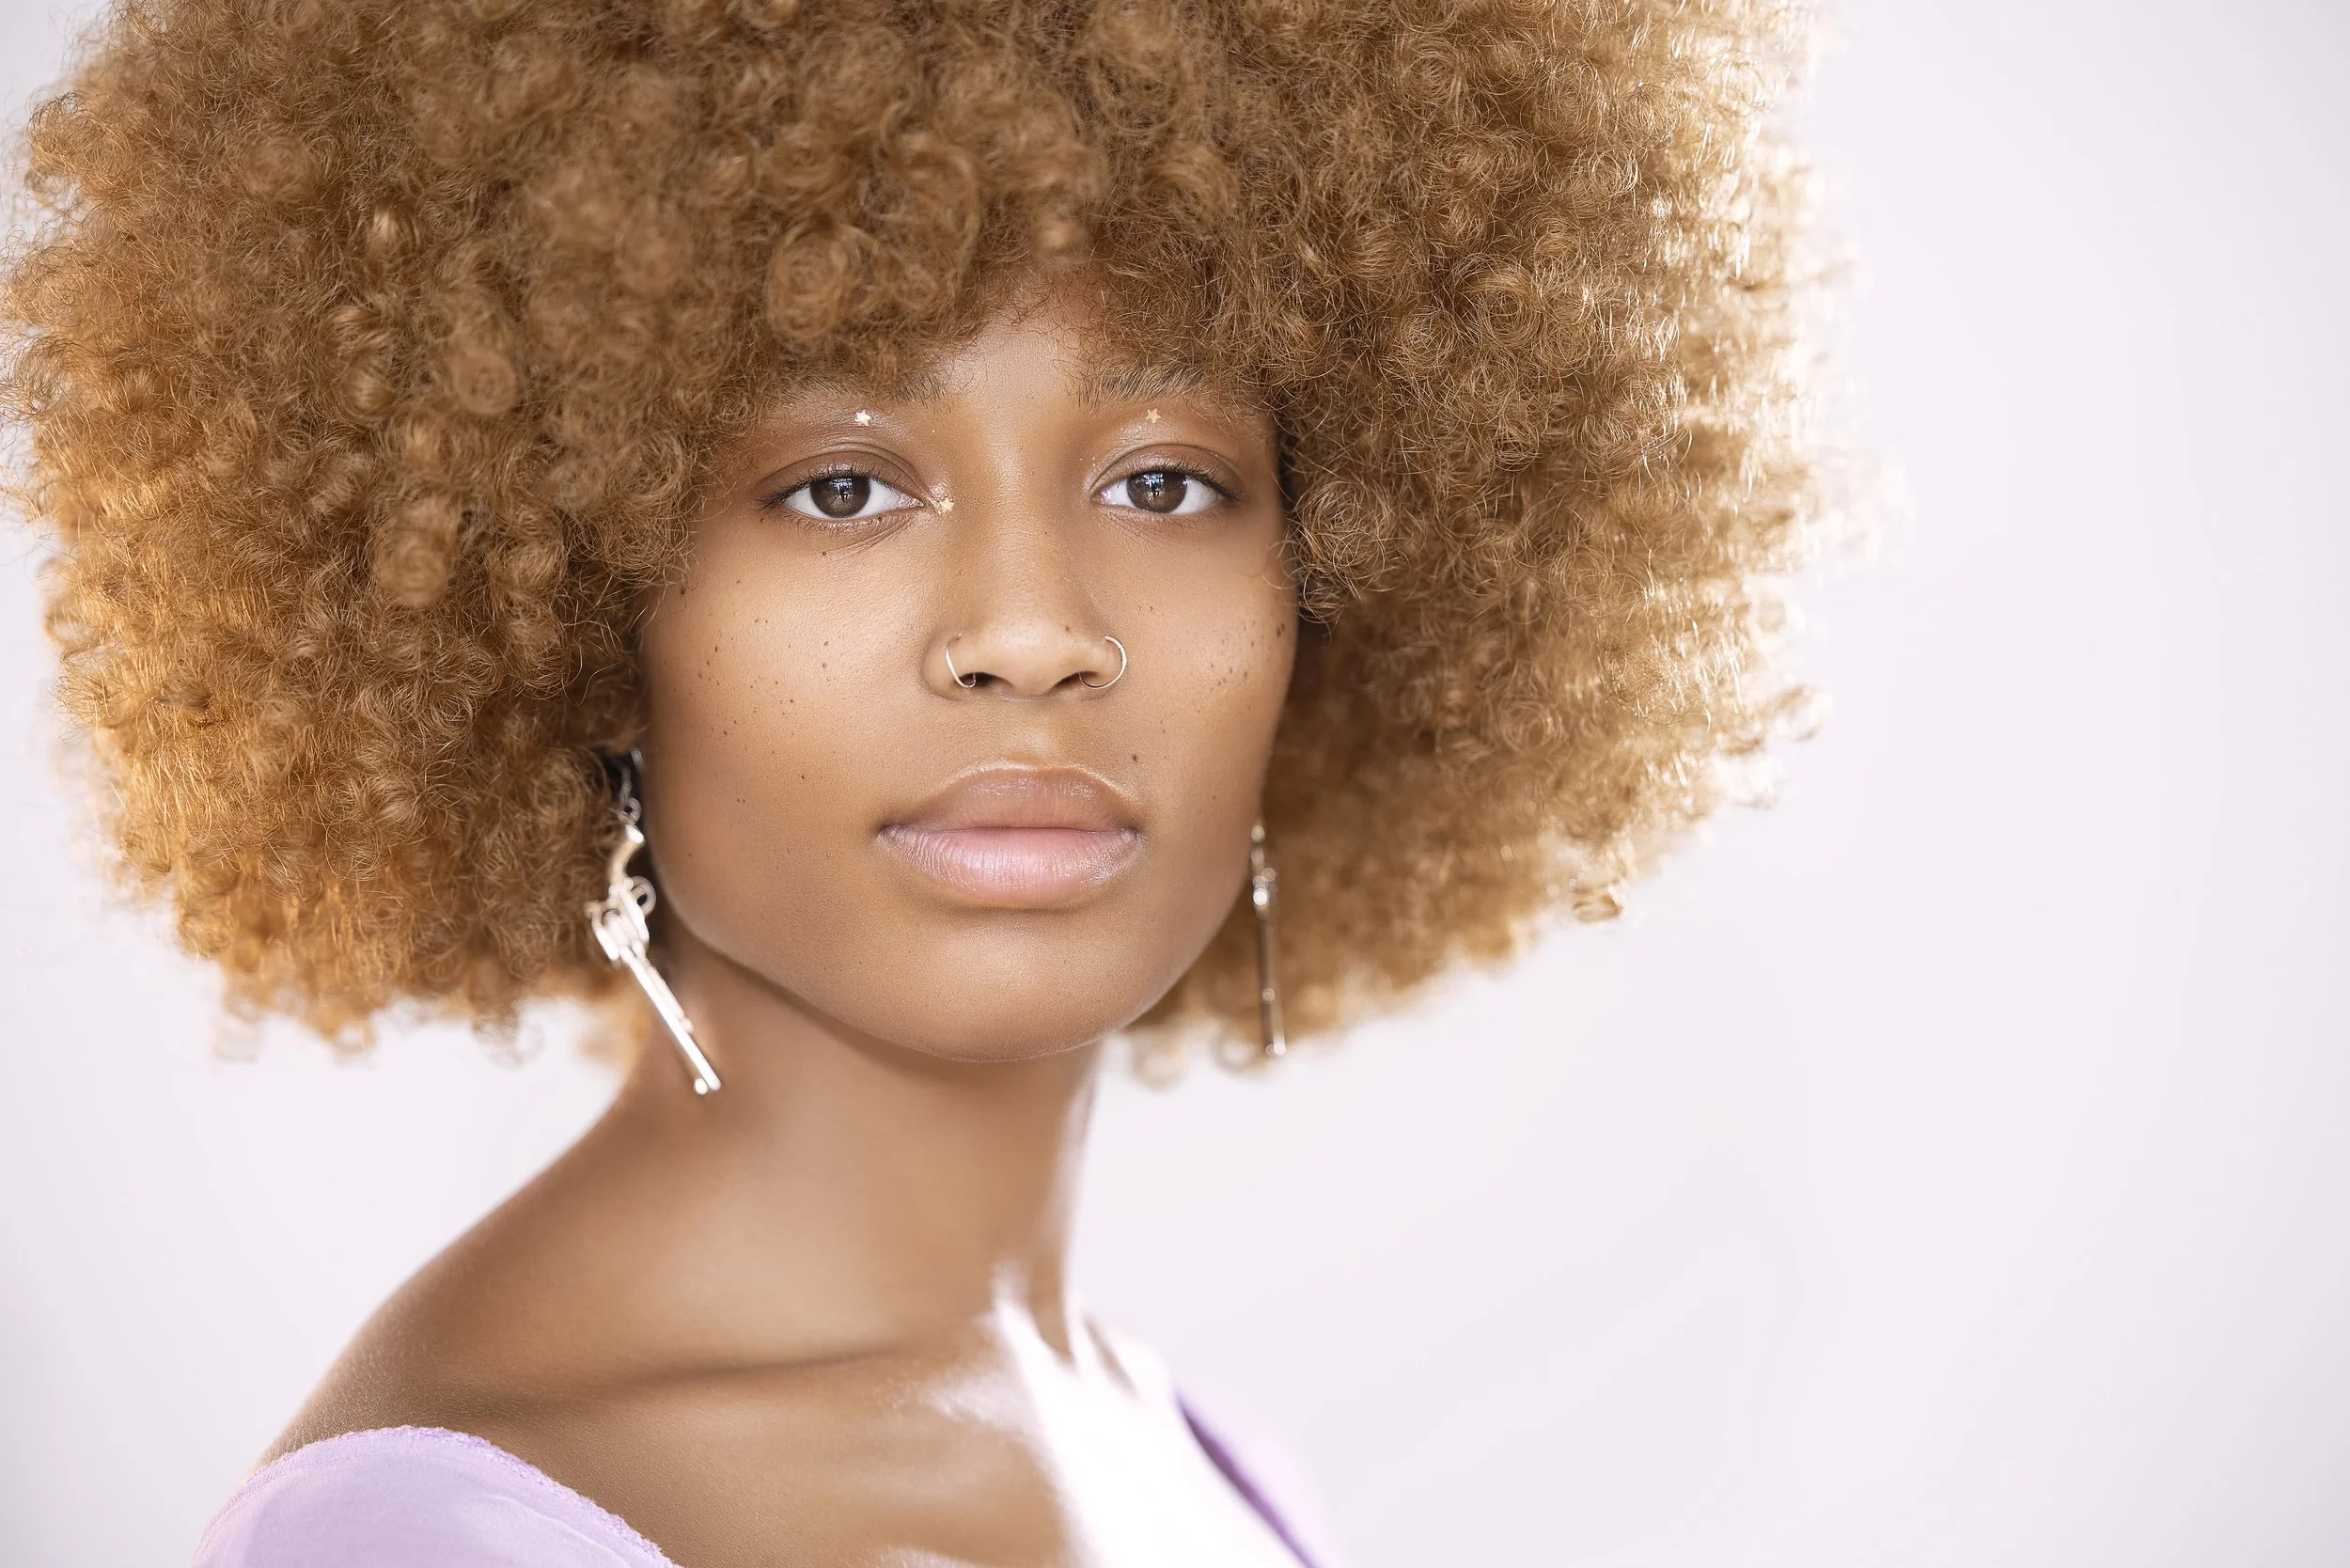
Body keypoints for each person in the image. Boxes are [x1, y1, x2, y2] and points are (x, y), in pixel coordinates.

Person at [1, 0, 1827, 1562]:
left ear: (1328, 578)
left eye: (1164, 482)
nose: (1031, 634)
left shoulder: (1203, 1467)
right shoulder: (445, 1536)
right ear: (566, 598)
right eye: (841, 486)